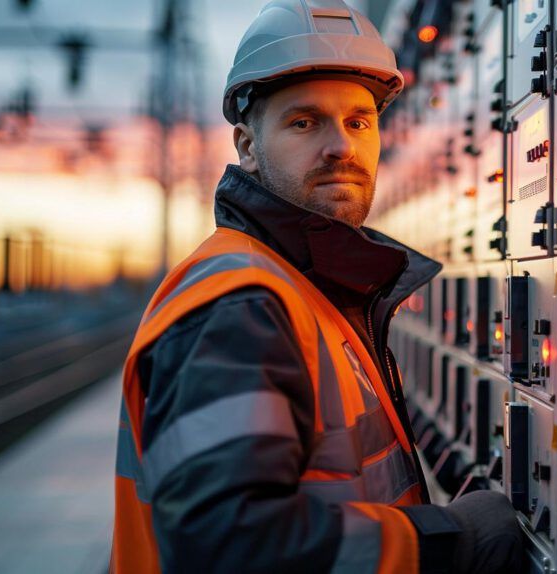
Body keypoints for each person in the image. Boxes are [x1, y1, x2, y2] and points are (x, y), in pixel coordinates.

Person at [109, 1, 523, 573]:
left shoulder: (313, 292)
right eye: (304, 122)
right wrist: (451, 540)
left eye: (358, 121)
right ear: (248, 148)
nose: (342, 148)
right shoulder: (242, 306)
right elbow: (227, 547)